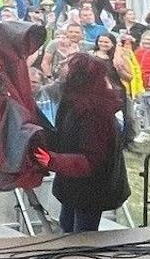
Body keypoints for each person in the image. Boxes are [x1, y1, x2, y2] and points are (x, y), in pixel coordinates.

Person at [33, 52, 131, 233]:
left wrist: (53, 161)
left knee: (82, 236)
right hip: (73, 186)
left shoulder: (95, 111)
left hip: (92, 190)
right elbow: (65, 138)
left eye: (67, 63)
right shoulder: (72, 102)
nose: (61, 63)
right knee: (67, 227)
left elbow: (92, 160)